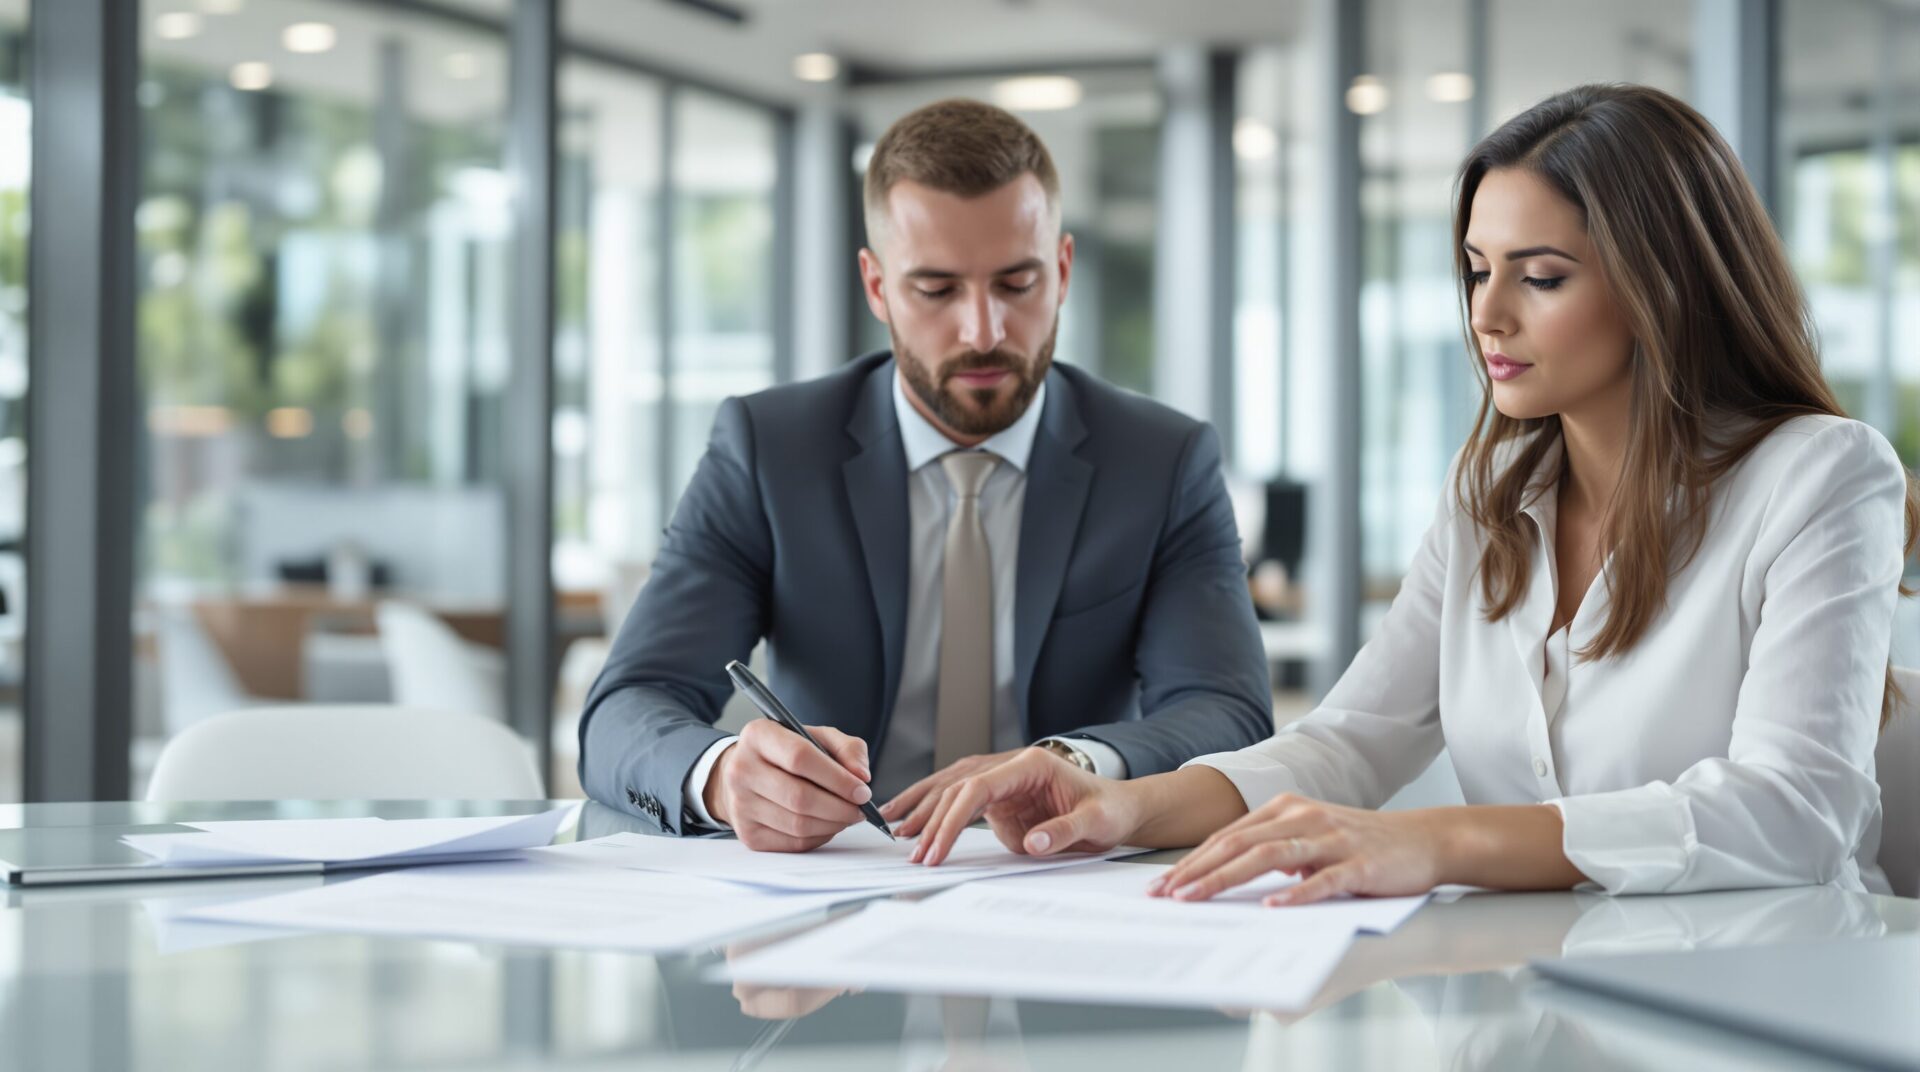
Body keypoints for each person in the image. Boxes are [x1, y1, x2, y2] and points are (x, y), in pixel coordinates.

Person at [910, 83, 1918, 902]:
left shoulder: (1823, 474)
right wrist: (1118, 802)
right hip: (1522, 992)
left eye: (1543, 276)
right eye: (1477, 270)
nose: (1488, 313)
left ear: (1667, 284)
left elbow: (1796, 810)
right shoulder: (1489, 492)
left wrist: (1440, 840)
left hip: (1771, 990)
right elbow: (1353, 741)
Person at [578, 99, 1271, 849]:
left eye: (1017, 284)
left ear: (1063, 270)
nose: (983, 331)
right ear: (877, 287)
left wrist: (1072, 763)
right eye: (936, 290)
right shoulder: (769, 450)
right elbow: (628, 705)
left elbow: (1225, 711)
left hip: (1061, 879)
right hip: (837, 886)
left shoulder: (1161, 462)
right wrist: (721, 775)